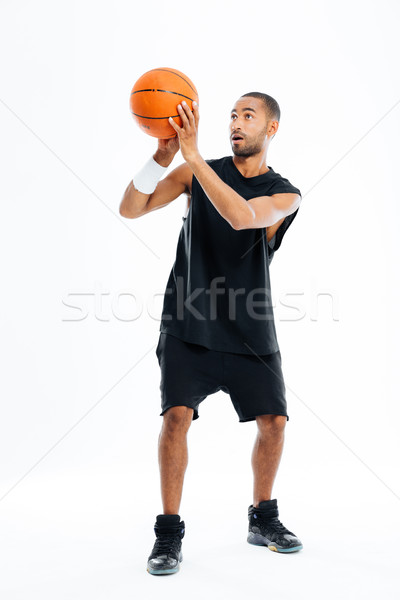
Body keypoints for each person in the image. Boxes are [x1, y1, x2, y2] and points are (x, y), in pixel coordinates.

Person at [119, 92, 304, 576]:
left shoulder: (286, 193)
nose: (236, 123)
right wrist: (160, 159)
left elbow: (242, 217)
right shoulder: (196, 171)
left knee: (275, 423)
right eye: (232, 115)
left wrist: (193, 157)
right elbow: (131, 209)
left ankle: (263, 518)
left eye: (249, 115)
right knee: (176, 417)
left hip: (249, 326)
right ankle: (168, 532)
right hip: (188, 318)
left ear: (272, 129)